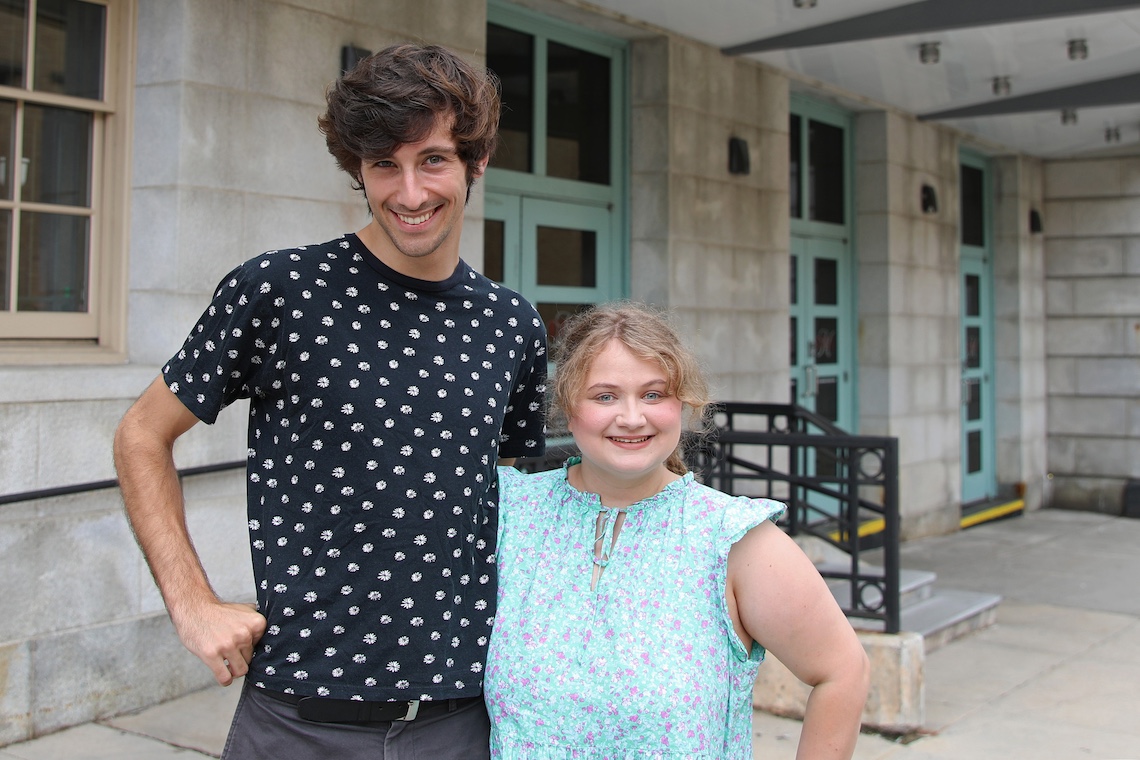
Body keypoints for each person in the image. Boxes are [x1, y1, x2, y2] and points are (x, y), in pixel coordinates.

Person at [113, 43, 547, 760]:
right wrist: (191, 604)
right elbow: (140, 435)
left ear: (477, 162)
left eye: (433, 160)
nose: (410, 193)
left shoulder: (512, 324)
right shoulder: (278, 292)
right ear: (358, 171)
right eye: (385, 165)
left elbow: (518, 507)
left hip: (462, 720)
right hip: (297, 718)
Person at [484, 302, 869, 759]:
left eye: (653, 394)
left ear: (682, 403)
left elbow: (843, 671)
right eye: (605, 396)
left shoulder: (732, 538)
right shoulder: (511, 511)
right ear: (568, 407)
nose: (631, 417)